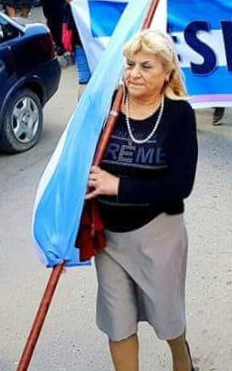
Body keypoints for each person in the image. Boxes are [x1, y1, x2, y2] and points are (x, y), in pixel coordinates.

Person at [85, 29, 198, 371]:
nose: (134, 73)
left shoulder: (179, 114)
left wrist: (118, 186)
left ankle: (182, 358)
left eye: (146, 66)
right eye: (130, 64)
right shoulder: (109, 105)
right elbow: (77, 157)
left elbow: (180, 186)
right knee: (117, 322)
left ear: (167, 73)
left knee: (167, 316)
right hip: (108, 237)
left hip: (158, 234)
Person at [66, 0, 97, 91]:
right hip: (80, 43)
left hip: (98, 44)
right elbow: (69, 23)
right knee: (84, 80)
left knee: (98, 79)